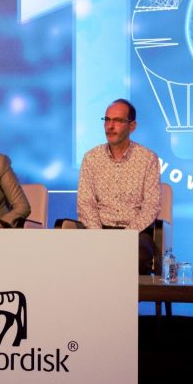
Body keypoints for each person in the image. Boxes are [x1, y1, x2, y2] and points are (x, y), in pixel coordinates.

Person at [77, 98, 161, 275]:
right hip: (99, 230)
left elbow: (151, 206)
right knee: (77, 253)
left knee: (135, 255)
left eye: (117, 120)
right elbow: (85, 202)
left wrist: (125, 238)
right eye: (107, 120)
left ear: (132, 126)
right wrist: (99, 236)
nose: (110, 126)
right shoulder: (91, 158)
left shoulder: (148, 159)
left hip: (135, 233)